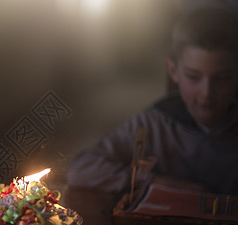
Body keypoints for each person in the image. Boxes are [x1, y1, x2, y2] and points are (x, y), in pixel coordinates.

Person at [67, 7, 238, 195]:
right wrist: (151, 180)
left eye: (222, 78)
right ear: (173, 71)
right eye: (193, 77)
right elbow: (81, 169)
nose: (207, 92)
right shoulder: (155, 124)